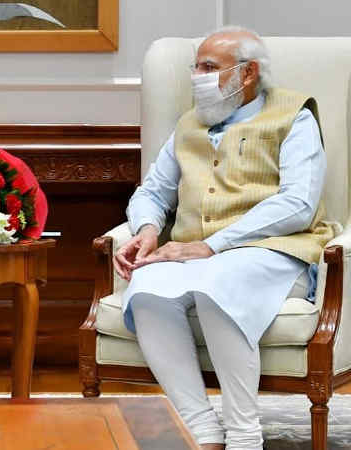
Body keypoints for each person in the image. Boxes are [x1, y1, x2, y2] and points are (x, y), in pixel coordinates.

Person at [114, 26, 333, 450]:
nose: (196, 75)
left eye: (209, 67)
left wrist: (212, 245)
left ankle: (245, 435)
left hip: (275, 252)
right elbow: (153, 192)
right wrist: (146, 230)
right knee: (145, 290)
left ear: (247, 73)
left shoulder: (294, 116)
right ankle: (202, 430)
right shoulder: (188, 125)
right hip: (198, 257)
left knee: (216, 285)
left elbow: (298, 204)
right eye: (194, 66)